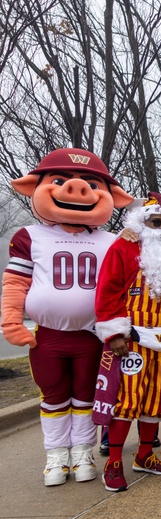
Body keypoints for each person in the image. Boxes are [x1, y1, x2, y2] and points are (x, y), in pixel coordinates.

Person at [2, 148, 133, 486]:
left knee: (87, 394)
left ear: (112, 197)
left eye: (91, 184)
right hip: (48, 334)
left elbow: (126, 286)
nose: (76, 189)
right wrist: (12, 321)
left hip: (93, 335)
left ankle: (82, 451)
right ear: (35, 187)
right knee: (54, 395)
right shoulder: (28, 236)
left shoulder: (112, 240)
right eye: (59, 181)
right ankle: (56, 455)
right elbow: (16, 282)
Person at [93, 194, 161, 492]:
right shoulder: (124, 248)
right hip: (133, 341)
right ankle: (113, 462)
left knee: (155, 401)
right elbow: (108, 290)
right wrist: (114, 333)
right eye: (156, 221)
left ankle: (145, 455)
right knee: (127, 402)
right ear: (143, 222)